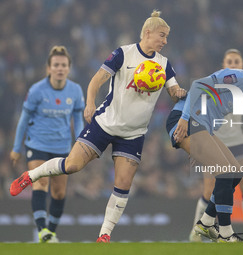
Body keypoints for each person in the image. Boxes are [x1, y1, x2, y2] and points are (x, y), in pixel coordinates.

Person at [10, 10, 186, 243]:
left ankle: (104, 234)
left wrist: (179, 93)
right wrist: (90, 102)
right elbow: (96, 80)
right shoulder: (123, 53)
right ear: (147, 32)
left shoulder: (164, 64)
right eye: (162, 36)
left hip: (134, 133)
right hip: (105, 123)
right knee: (72, 166)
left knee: (123, 185)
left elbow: (174, 90)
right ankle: (30, 175)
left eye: (166, 38)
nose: (165, 41)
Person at [166, 57, 243, 242]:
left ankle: (205, 223)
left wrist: (202, 145)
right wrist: (184, 119)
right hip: (186, 120)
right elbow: (198, 85)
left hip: (201, 126)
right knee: (226, 172)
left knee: (236, 173)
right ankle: (225, 232)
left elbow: (214, 110)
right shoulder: (237, 78)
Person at [189, 49, 243, 243]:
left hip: (237, 141)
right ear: (224, 65)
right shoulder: (218, 82)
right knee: (209, 189)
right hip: (215, 140)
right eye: (229, 61)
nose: (233, 64)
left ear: (242, 65)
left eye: (236, 61)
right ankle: (196, 231)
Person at [10, 46, 85, 243]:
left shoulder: (75, 91)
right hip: (37, 145)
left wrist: (79, 143)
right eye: (56, 65)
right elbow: (23, 120)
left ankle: (50, 232)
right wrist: (17, 148)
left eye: (63, 65)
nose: (60, 68)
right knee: (40, 182)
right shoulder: (36, 90)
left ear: (69, 68)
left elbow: (78, 119)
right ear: (49, 68)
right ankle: (42, 230)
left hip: (62, 147)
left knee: (59, 192)